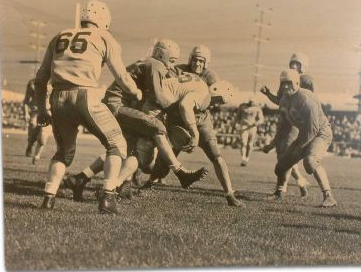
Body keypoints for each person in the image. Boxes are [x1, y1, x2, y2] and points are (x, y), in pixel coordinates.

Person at [66, 39, 208, 202]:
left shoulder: (148, 63)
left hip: (118, 104)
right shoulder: (156, 65)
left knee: (127, 150)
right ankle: (180, 172)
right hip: (117, 105)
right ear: (163, 55)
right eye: (172, 61)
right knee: (158, 128)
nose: (170, 66)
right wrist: (176, 113)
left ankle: (82, 178)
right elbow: (159, 98)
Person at [34, 0, 142, 213]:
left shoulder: (59, 36)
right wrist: (135, 92)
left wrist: (41, 108)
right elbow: (121, 75)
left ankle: (49, 198)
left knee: (63, 153)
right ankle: (108, 198)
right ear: (103, 21)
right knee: (117, 144)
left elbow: (40, 78)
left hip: (58, 97)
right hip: (85, 95)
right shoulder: (104, 37)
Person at [151, 44, 243, 207]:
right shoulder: (177, 69)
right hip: (178, 119)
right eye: (195, 60)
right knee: (166, 154)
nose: (197, 64)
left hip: (200, 120)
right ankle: (151, 181)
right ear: (190, 59)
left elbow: (217, 98)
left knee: (216, 155)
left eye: (201, 61)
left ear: (206, 63)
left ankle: (229, 193)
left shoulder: (211, 77)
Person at [272, 69, 337, 207]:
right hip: (304, 134)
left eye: (288, 83)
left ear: (296, 82)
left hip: (321, 133)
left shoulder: (306, 98)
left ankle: (328, 196)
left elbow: (312, 129)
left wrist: (299, 150)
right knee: (280, 167)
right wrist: (273, 143)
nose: (285, 86)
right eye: (283, 83)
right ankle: (278, 193)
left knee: (310, 162)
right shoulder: (284, 101)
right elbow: (284, 125)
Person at [261, 52, 315, 198]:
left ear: (303, 66)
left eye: (297, 64)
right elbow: (280, 101)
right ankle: (301, 182)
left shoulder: (305, 80)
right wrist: (268, 94)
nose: (294, 67)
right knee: (282, 156)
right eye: (292, 64)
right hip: (284, 120)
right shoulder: (286, 78)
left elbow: (307, 103)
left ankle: (280, 191)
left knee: (285, 157)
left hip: (294, 123)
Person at [23, 78, 52, 164]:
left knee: (43, 136)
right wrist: (26, 113)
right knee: (32, 130)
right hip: (35, 112)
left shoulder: (56, 83)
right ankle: (30, 144)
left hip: (48, 113)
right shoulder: (32, 83)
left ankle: (37, 155)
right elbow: (26, 101)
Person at [235, 99, 264, 166]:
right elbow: (238, 117)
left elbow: (261, 119)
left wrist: (257, 123)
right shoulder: (242, 106)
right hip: (244, 126)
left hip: (252, 127)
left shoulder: (257, 108)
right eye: (250, 101)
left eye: (253, 102)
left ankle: (247, 159)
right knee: (243, 143)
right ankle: (243, 159)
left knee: (250, 144)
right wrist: (236, 124)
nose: (251, 103)